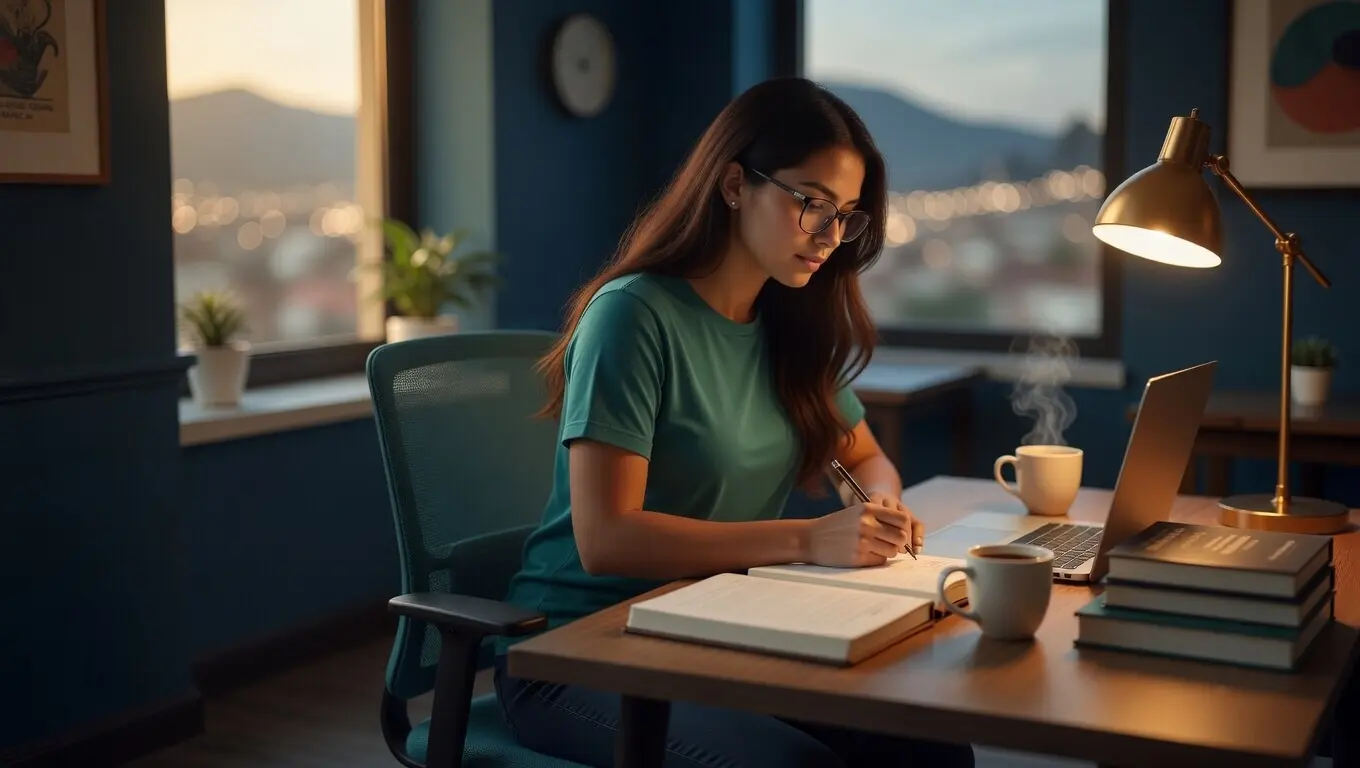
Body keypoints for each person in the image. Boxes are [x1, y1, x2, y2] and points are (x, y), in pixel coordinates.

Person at [493, 77, 975, 768]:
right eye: (811, 205)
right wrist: (811, 538)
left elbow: (867, 458)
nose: (831, 237)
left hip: (715, 624)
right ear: (732, 185)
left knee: (930, 750)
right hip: (580, 647)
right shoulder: (633, 315)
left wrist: (879, 506)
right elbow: (607, 539)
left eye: (846, 215)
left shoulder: (786, 322)